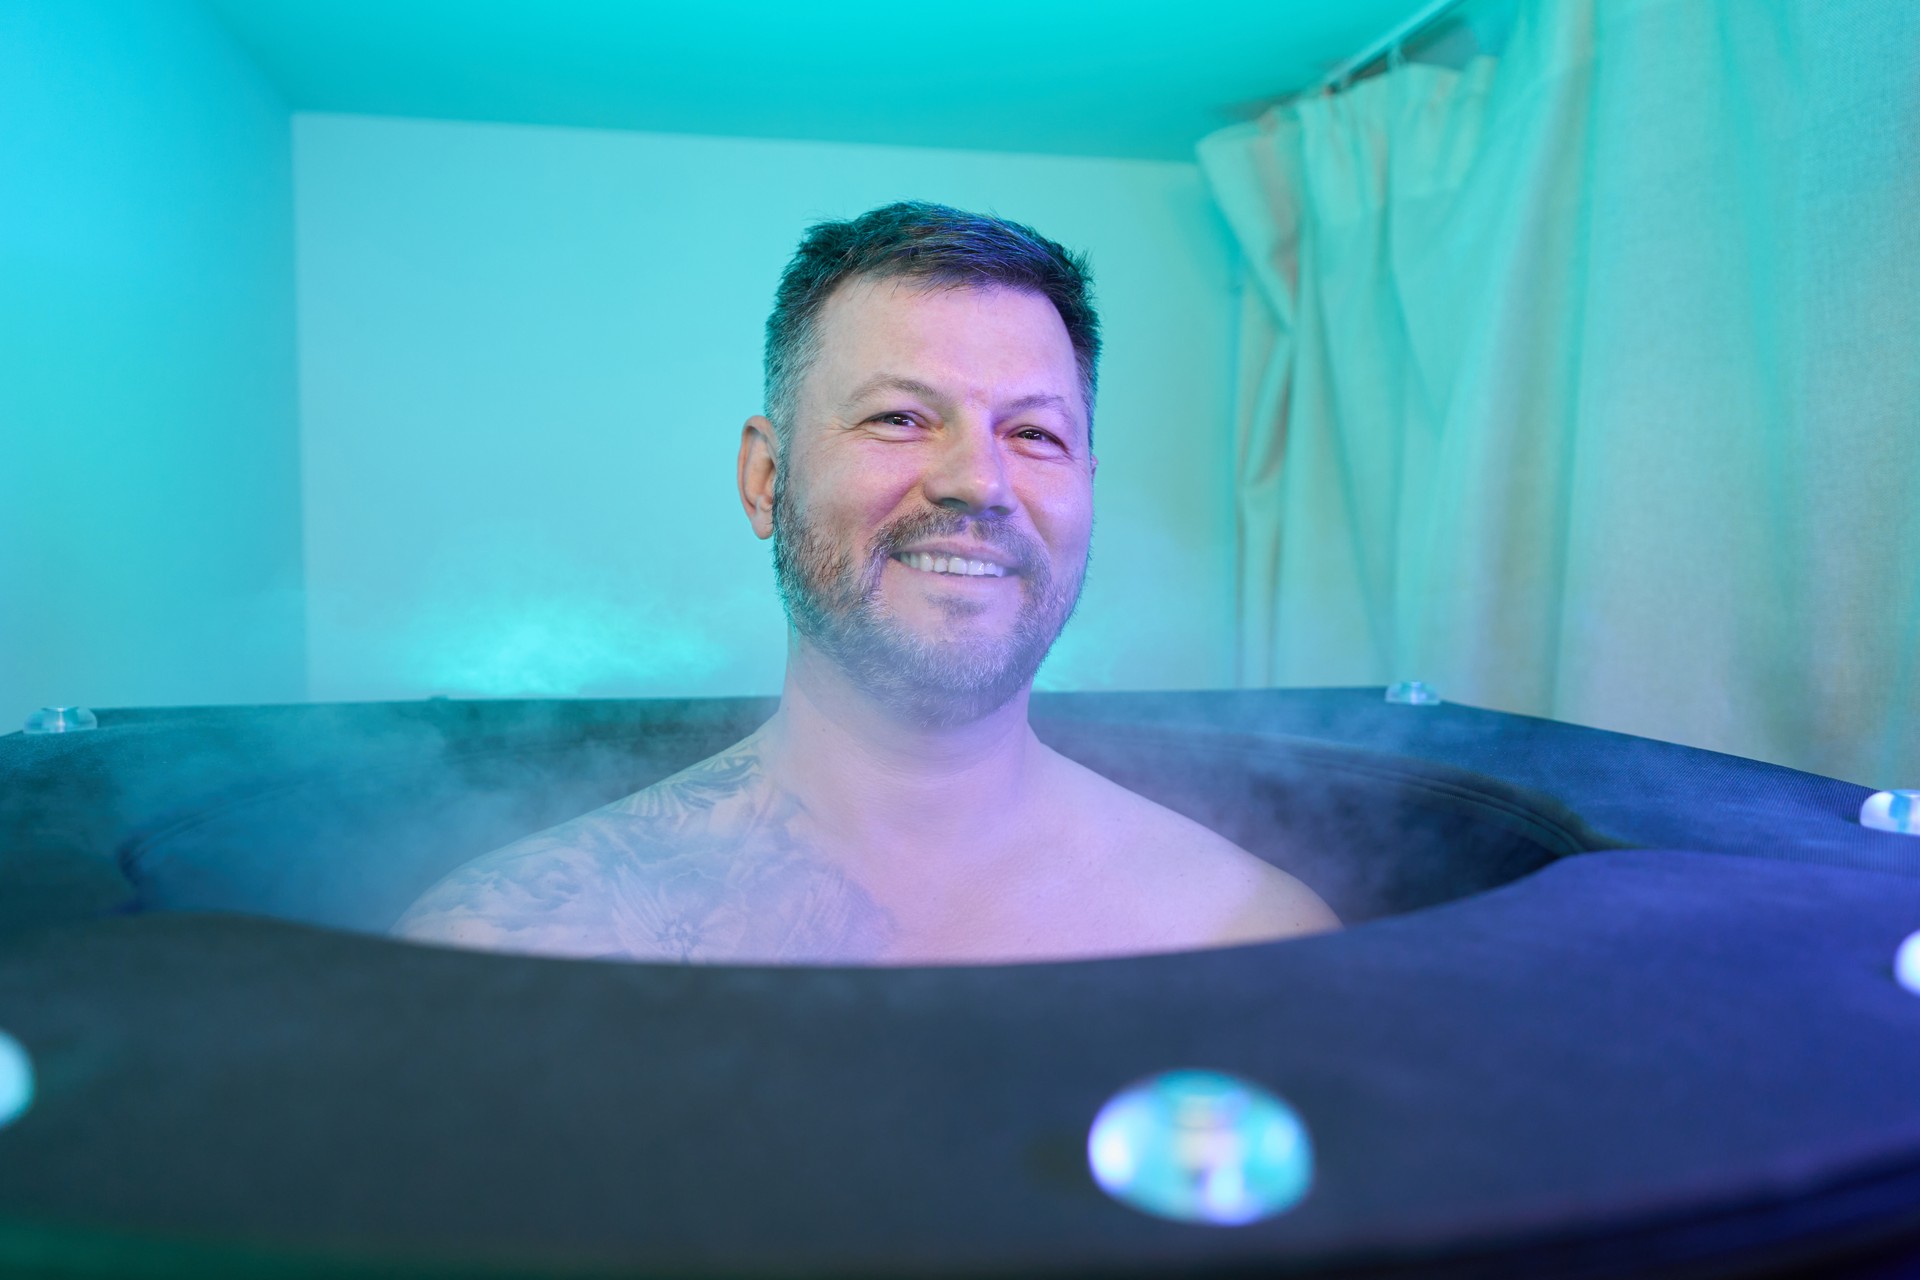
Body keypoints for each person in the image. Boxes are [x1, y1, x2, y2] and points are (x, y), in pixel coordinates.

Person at [392, 201, 1339, 964]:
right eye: (899, 417)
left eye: (1036, 434)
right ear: (767, 477)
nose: (978, 480)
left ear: (1087, 491)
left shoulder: (1253, 936)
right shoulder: (519, 941)